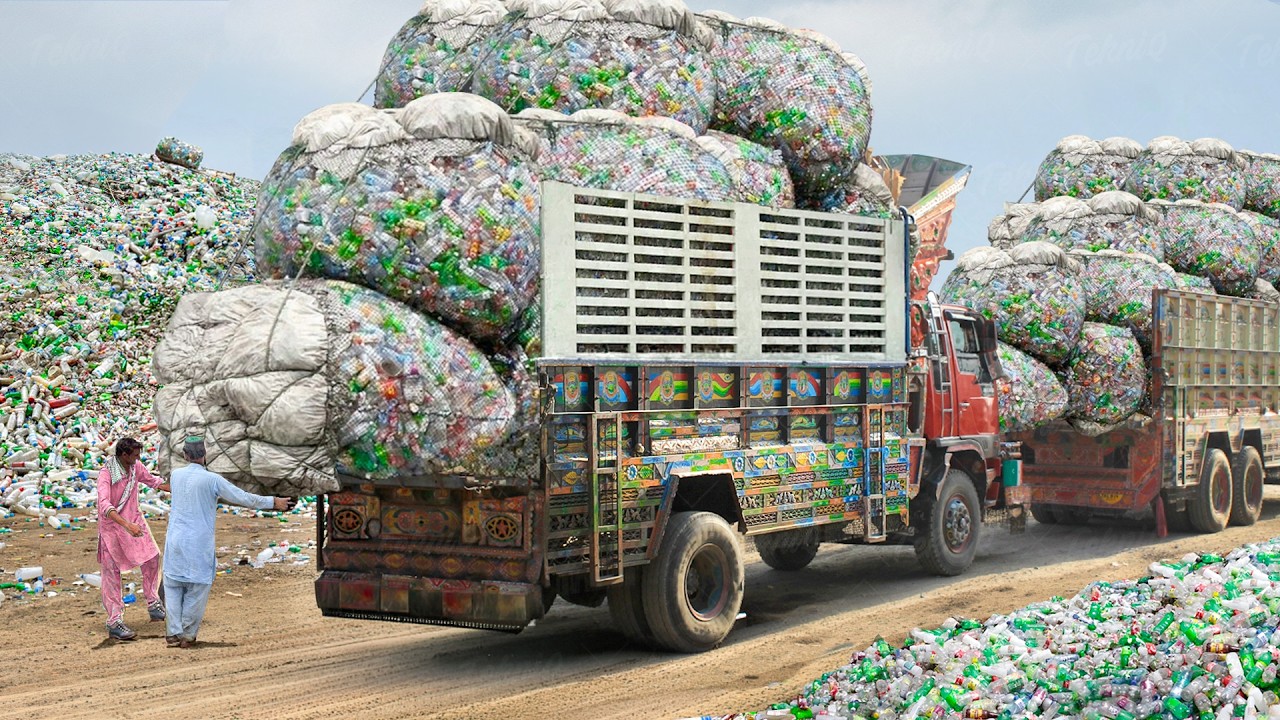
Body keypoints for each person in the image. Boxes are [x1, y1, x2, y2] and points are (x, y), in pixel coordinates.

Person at [163, 437, 293, 648]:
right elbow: (243, 498)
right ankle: (187, 635)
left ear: (185, 455)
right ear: (204, 455)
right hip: (198, 542)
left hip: (175, 540)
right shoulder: (212, 480)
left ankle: (172, 633)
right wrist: (273, 502)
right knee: (197, 588)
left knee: (173, 585)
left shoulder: (176, 475)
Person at [96, 437, 170, 641]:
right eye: (135, 455)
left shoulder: (135, 467)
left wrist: (175, 487)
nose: (139, 458)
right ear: (124, 455)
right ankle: (114, 621)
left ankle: (153, 601)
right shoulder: (106, 474)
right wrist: (127, 525)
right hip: (113, 529)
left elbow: (152, 481)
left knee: (152, 557)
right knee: (111, 575)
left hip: (134, 521)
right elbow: (104, 505)